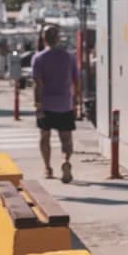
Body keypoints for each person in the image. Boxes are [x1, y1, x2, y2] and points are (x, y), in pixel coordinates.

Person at [31, 25, 80, 183]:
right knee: (66, 138)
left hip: (46, 103)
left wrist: (37, 104)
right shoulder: (69, 57)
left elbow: (37, 84)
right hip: (65, 103)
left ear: (44, 39)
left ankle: (47, 168)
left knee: (45, 137)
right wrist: (75, 101)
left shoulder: (38, 58)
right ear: (58, 38)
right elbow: (76, 81)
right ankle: (66, 160)